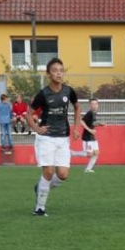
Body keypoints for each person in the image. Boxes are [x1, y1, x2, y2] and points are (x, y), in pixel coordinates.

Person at [25, 58, 81, 217]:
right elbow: (29, 114)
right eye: (55, 70)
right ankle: (39, 208)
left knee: (63, 175)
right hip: (46, 138)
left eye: (61, 70)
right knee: (48, 172)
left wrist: (76, 128)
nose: (59, 73)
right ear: (49, 74)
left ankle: (41, 187)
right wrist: (36, 128)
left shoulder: (69, 91)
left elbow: (77, 107)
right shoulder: (43, 94)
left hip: (63, 138)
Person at [79, 98, 100, 172]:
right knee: (89, 154)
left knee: (96, 153)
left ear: (98, 105)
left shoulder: (94, 113)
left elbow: (92, 124)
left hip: (92, 136)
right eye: (92, 104)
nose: (94, 105)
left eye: (96, 104)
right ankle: (72, 153)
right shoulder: (89, 113)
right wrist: (90, 130)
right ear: (90, 105)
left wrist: (99, 124)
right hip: (87, 137)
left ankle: (88, 169)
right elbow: (81, 122)